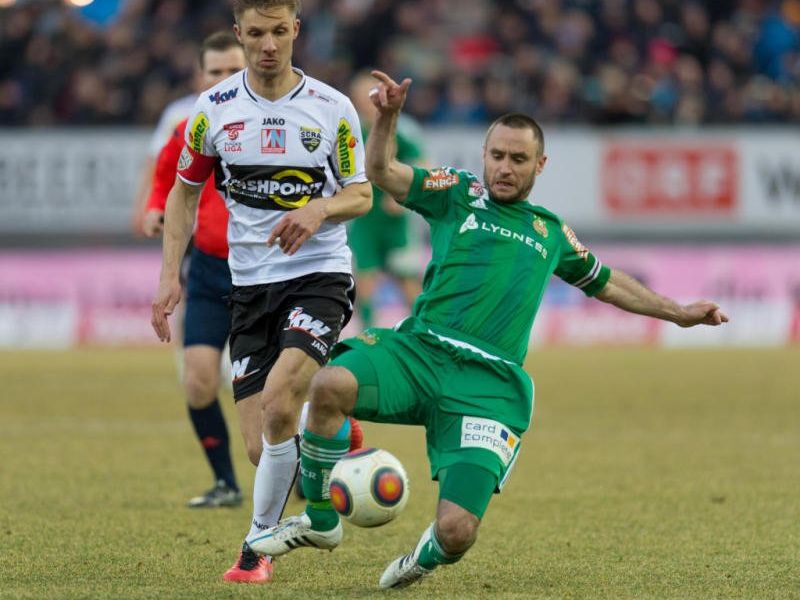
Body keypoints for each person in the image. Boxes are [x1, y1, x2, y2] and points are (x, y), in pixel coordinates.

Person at [244, 71, 730, 589]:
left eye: (518, 160)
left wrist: (677, 312)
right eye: (497, 155)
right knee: (329, 385)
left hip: (490, 389)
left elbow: (607, 283)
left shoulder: (551, 232)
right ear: (484, 153)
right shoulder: (455, 191)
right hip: (421, 351)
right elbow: (382, 172)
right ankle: (320, 519)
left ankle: (426, 556)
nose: (504, 167)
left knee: (457, 531)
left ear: (539, 166)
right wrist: (386, 118)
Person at [150, 0, 372, 585]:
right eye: (256, 34)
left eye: (279, 32)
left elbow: (361, 194)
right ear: (239, 34)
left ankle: (254, 553)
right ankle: (327, 433)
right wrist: (169, 273)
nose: (268, 45)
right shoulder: (213, 111)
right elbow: (183, 194)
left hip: (319, 274)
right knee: (262, 445)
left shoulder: (332, 108)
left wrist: (319, 207)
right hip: (247, 286)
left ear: (296, 30)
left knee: (278, 404)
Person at [144, 32, 246, 508]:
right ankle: (225, 483)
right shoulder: (190, 128)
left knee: (276, 396)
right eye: (215, 72)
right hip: (208, 268)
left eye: (233, 70)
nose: (224, 80)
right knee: (199, 379)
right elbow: (167, 179)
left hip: (265, 271)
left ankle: (314, 470)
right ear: (199, 78)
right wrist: (152, 209)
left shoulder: (276, 126)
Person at [347, 71, 426, 329]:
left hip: (394, 221)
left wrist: (402, 194)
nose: (365, 102)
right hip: (365, 219)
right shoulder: (352, 129)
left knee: (407, 281)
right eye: (360, 97)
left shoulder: (400, 127)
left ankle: (423, 333)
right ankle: (369, 334)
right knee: (365, 281)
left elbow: (423, 163)